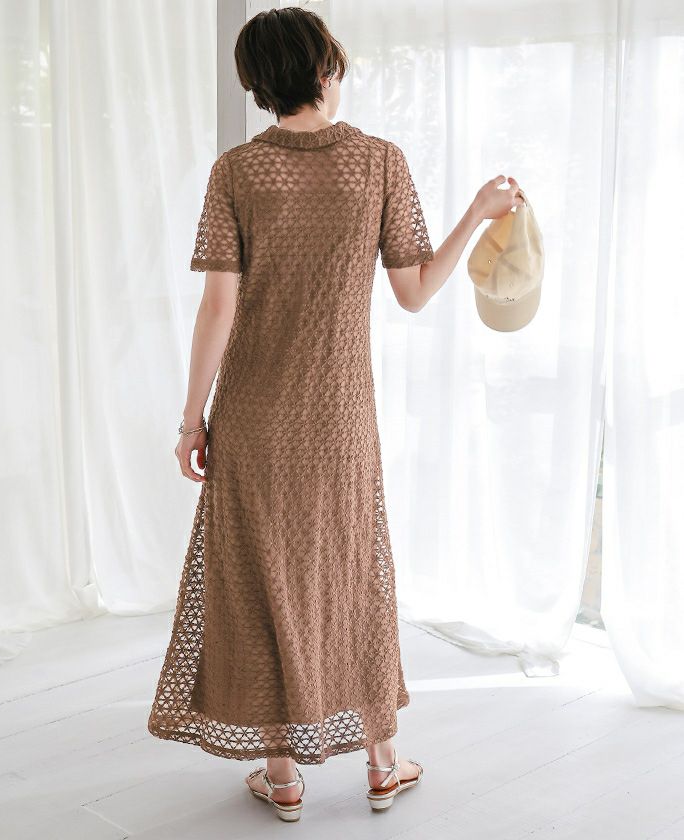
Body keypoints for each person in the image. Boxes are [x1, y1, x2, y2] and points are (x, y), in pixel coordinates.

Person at [147, 6, 523, 823]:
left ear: (257, 83)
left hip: (253, 411)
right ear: (327, 69)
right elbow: (414, 292)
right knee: (355, 574)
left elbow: (217, 308)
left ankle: (282, 776)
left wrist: (191, 420)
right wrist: (476, 213)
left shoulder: (237, 172)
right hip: (340, 415)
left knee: (259, 582)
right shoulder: (379, 162)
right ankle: (383, 765)